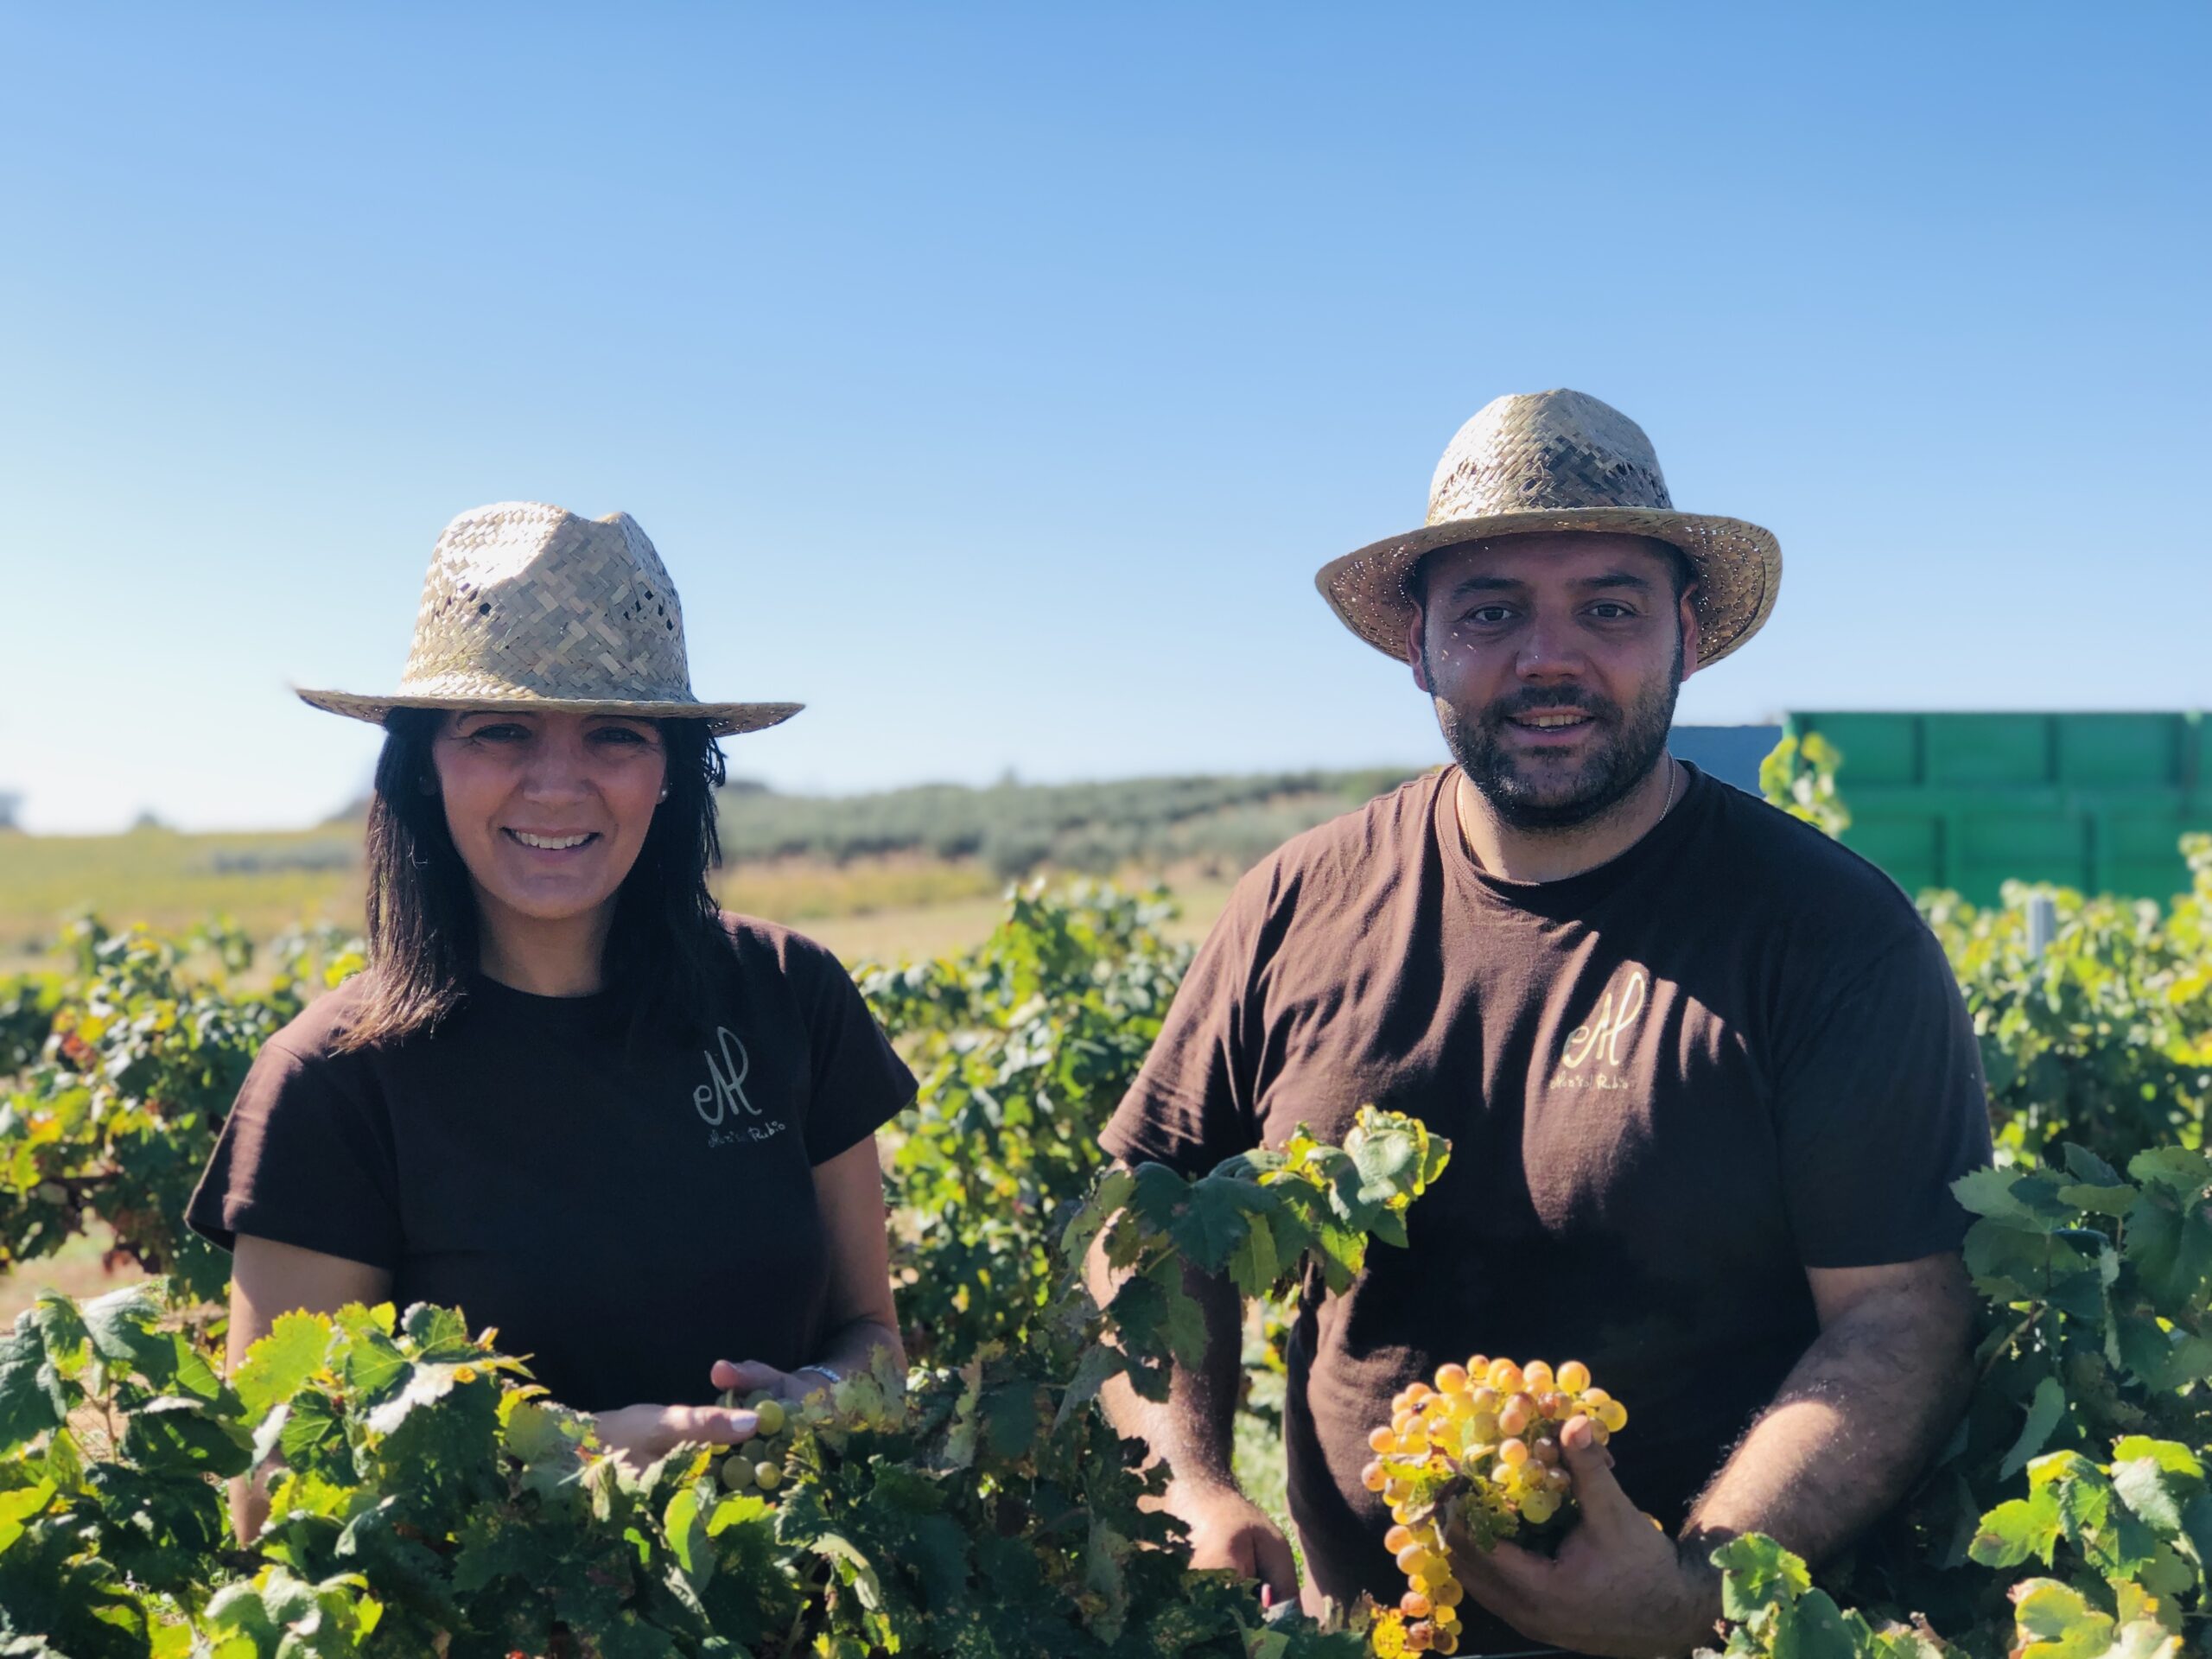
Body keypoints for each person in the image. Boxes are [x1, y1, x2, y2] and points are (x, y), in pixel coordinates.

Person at [1093, 391, 1991, 1658]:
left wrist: (1700, 1587)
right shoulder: (1298, 902)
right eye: (1492, 611)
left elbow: (1902, 1317)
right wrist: (1190, 1476)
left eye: (1610, 608)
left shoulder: (1829, 938)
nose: (1548, 657)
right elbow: (1152, 1205)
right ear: (1419, 646)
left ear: (1688, 634)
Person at [188, 501, 914, 1541]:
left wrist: (828, 1395)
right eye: (501, 731)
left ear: (672, 771)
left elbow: (870, 1333)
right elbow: (277, 1492)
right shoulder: (330, 1082)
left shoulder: (788, 993)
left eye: (614, 734)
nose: (558, 783)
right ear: (423, 764)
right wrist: (571, 1460)